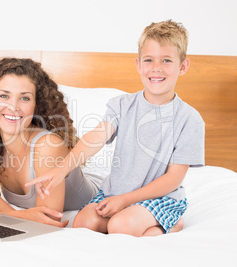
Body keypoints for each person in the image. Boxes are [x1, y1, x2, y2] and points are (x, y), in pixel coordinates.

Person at [26, 20, 205, 236]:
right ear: (139, 65)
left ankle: (170, 223)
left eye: (166, 60)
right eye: (149, 60)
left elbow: (173, 178)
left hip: (160, 197)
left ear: (183, 66)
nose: (156, 68)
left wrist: (125, 201)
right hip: (116, 192)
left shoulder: (189, 119)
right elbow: (96, 138)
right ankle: (147, 226)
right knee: (84, 223)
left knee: (120, 226)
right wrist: (62, 169)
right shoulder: (122, 105)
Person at [0, 58, 99, 227]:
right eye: (4, 96)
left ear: (36, 105)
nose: (13, 106)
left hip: (97, 200)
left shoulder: (48, 146)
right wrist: (8, 208)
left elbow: (49, 222)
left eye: (25, 98)